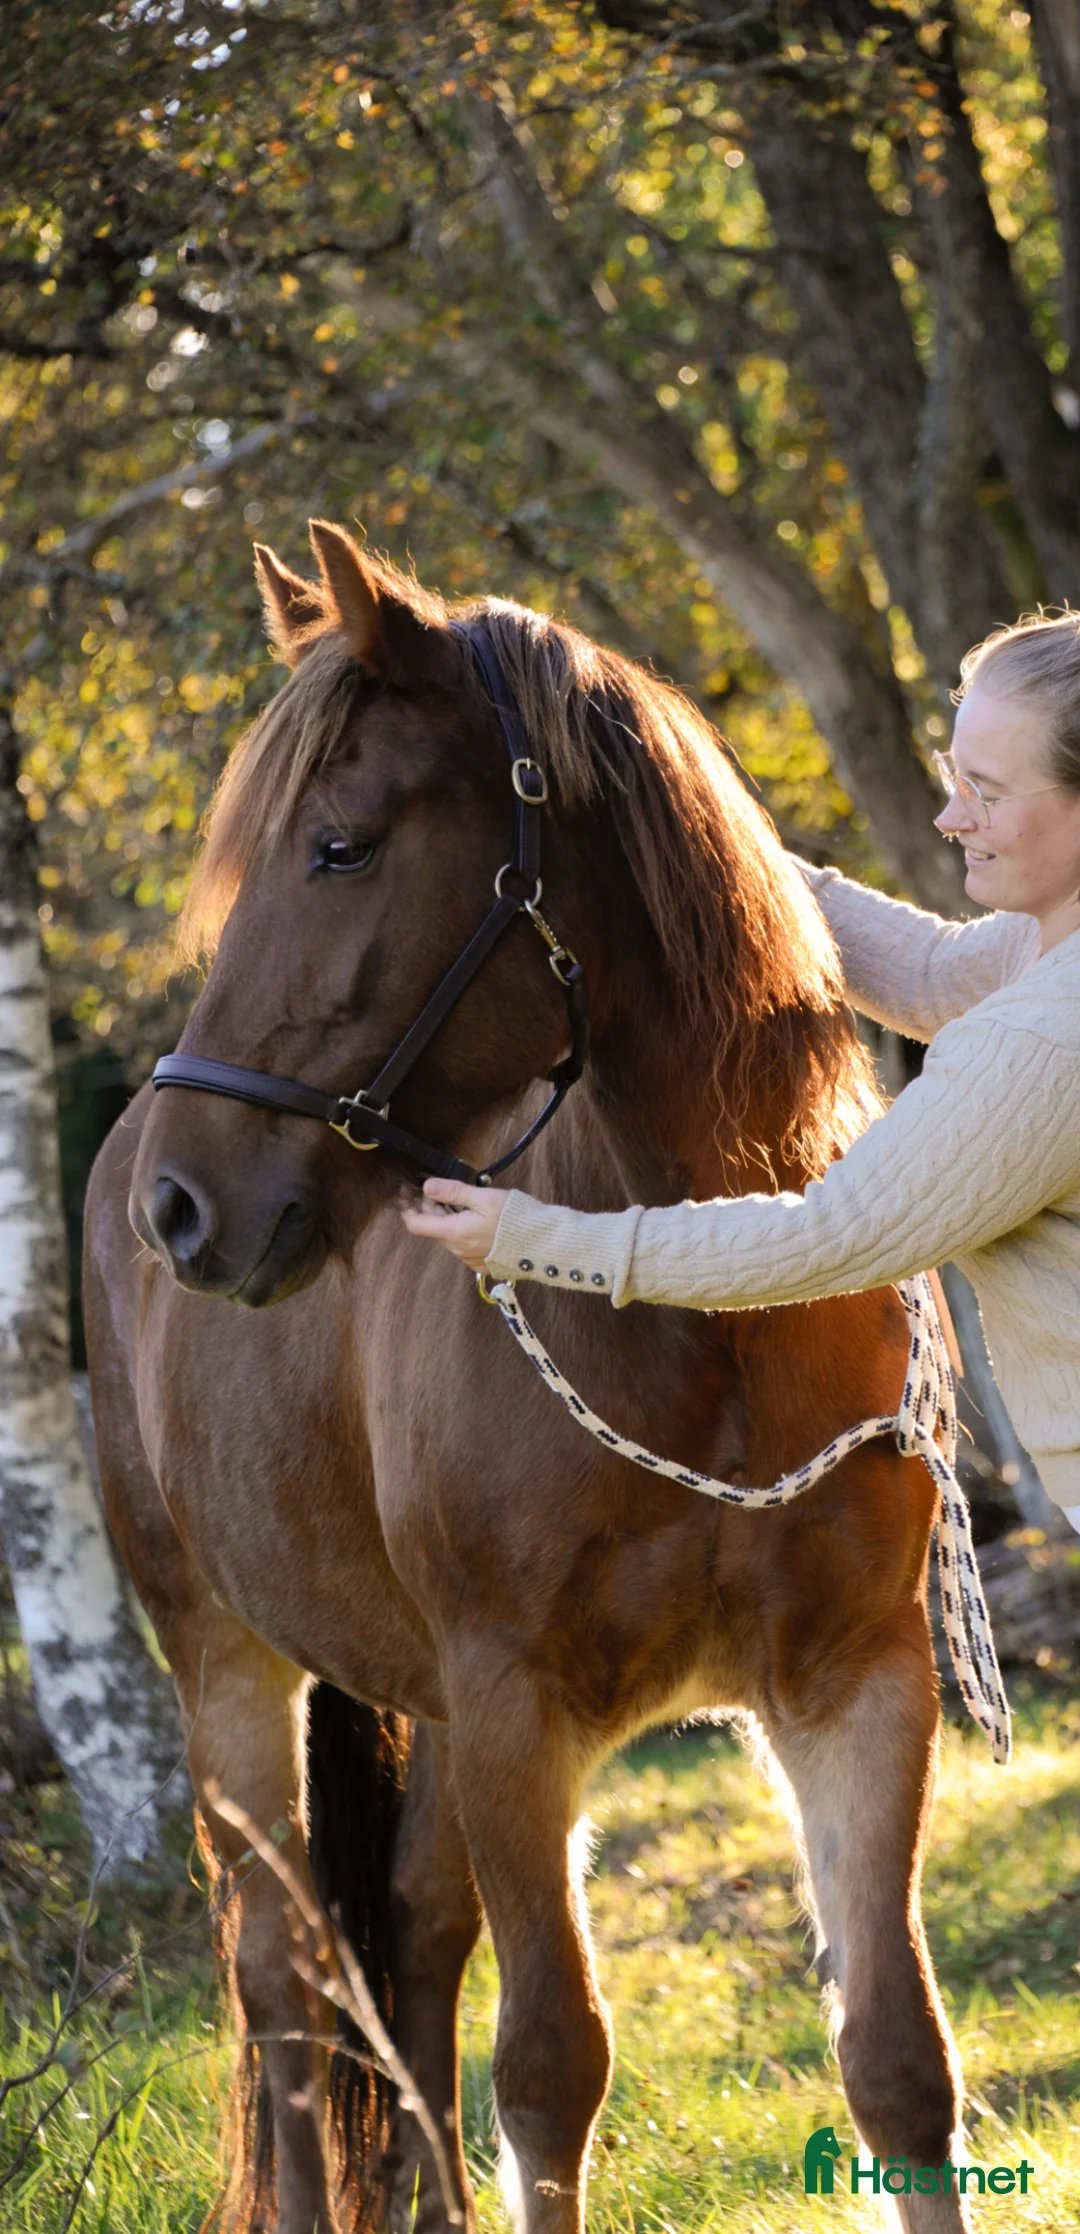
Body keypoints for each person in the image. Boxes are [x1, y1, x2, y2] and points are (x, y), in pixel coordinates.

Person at [401, 612, 1080, 1533]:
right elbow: (930, 974)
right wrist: (682, 825)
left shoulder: (1047, 1037)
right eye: (953, 775)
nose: (951, 815)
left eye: (988, 794)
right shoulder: (1046, 949)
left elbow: (825, 1239)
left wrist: (535, 1238)